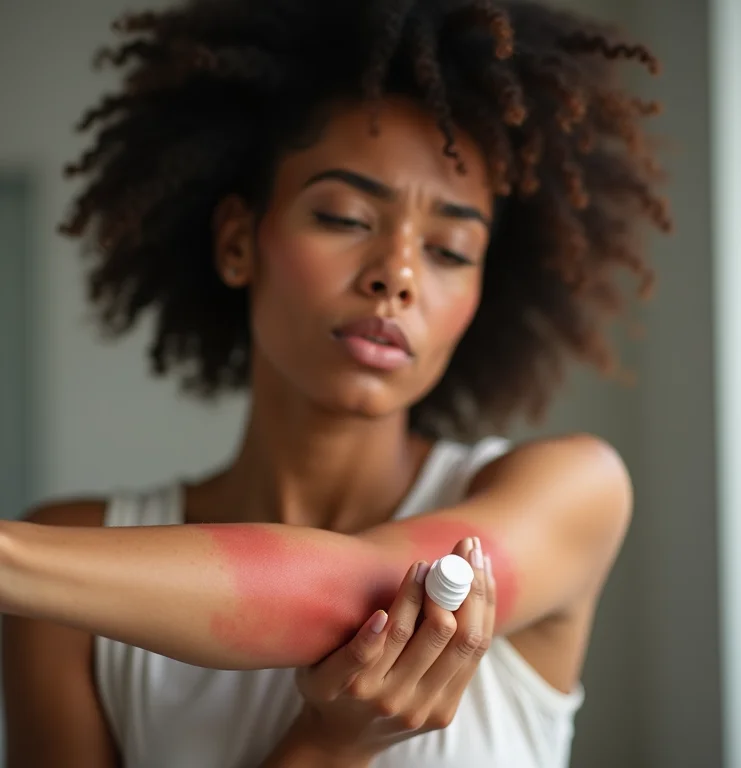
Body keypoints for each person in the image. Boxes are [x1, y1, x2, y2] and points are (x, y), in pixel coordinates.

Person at [0, 0, 669, 766]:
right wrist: (325, 745)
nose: (399, 275)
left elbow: (356, 590)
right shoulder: (74, 564)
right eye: (347, 217)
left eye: (450, 250)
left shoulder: (571, 491)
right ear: (236, 243)